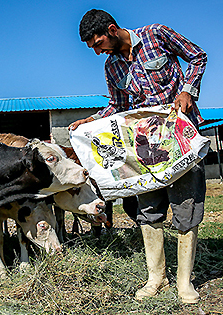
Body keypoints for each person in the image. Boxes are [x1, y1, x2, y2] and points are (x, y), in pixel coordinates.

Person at [70, 9, 207, 304]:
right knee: (148, 208)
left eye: (98, 44)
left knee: (186, 205)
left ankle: (185, 282)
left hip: (180, 137)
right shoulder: (112, 68)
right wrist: (90, 122)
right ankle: (156, 278)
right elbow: (117, 106)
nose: (97, 52)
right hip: (144, 147)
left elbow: (198, 56)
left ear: (112, 29)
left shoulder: (157, 34)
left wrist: (187, 91)